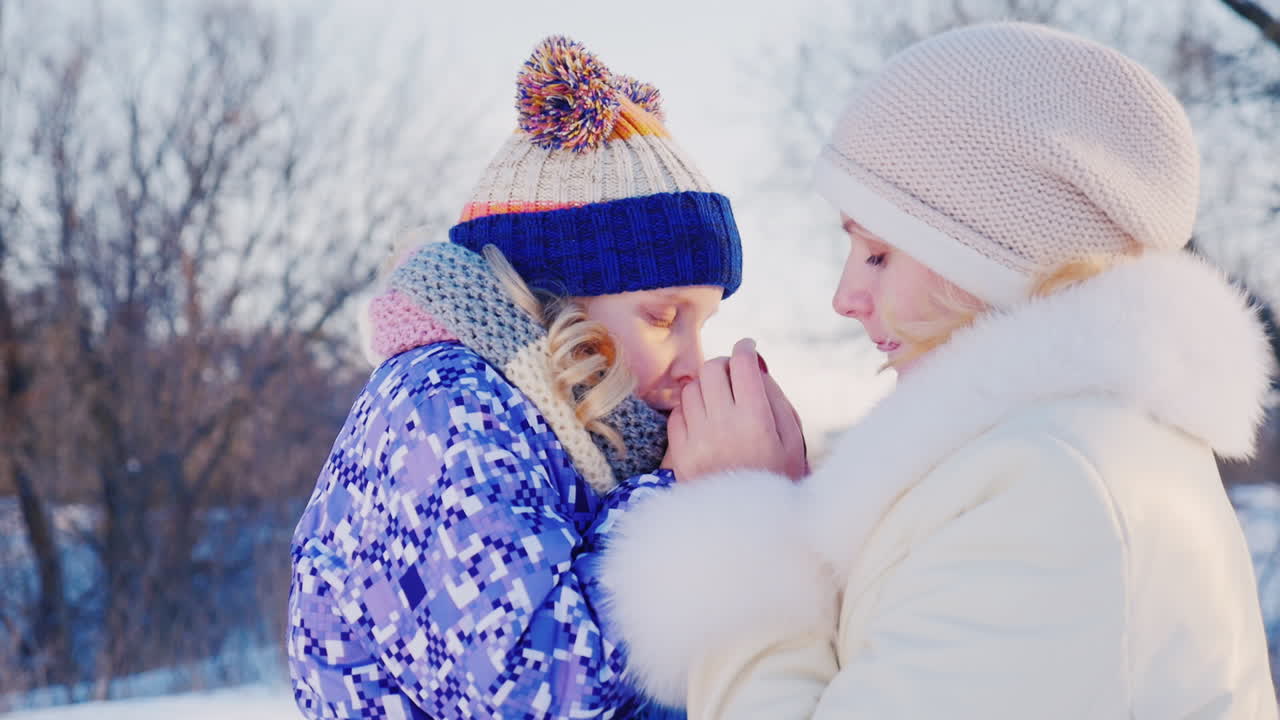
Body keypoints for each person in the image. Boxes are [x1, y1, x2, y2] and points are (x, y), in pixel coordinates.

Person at [602, 22, 1277, 718]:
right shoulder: (1056, 458)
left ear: (992, 258)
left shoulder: (1051, 489)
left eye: (877, 254)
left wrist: (738, 517)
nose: (844, 298)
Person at [287, 35, 750, 719]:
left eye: (703, 322)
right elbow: (539, 688)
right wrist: (695, 497)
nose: (695, 361)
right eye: (663, 316)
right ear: (555, 296)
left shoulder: (565, 427)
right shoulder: (441, 409)